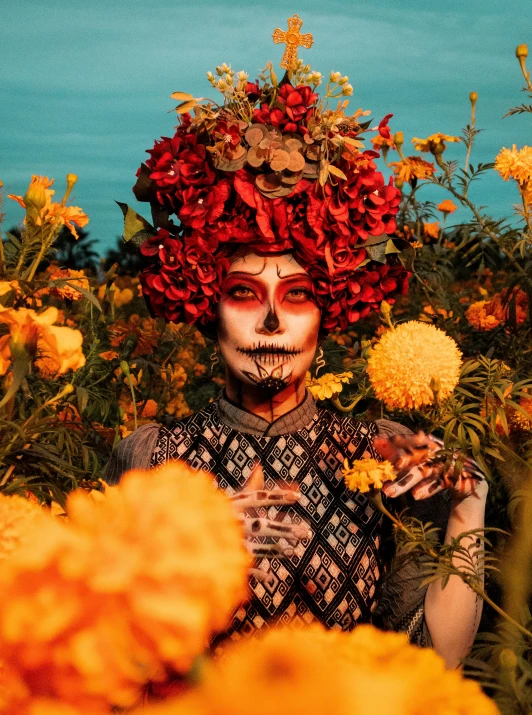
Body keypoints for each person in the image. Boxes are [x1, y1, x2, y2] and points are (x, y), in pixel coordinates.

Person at [105, 22, 488, 668]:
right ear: (206, 304)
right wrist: (190, 546)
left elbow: (433, 660)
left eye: (300, 296)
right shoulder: (152, 457)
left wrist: (467, 505)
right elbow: (99, 650)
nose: (275, 322)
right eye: (246, 294)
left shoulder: (381, 453)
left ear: (329, 310)